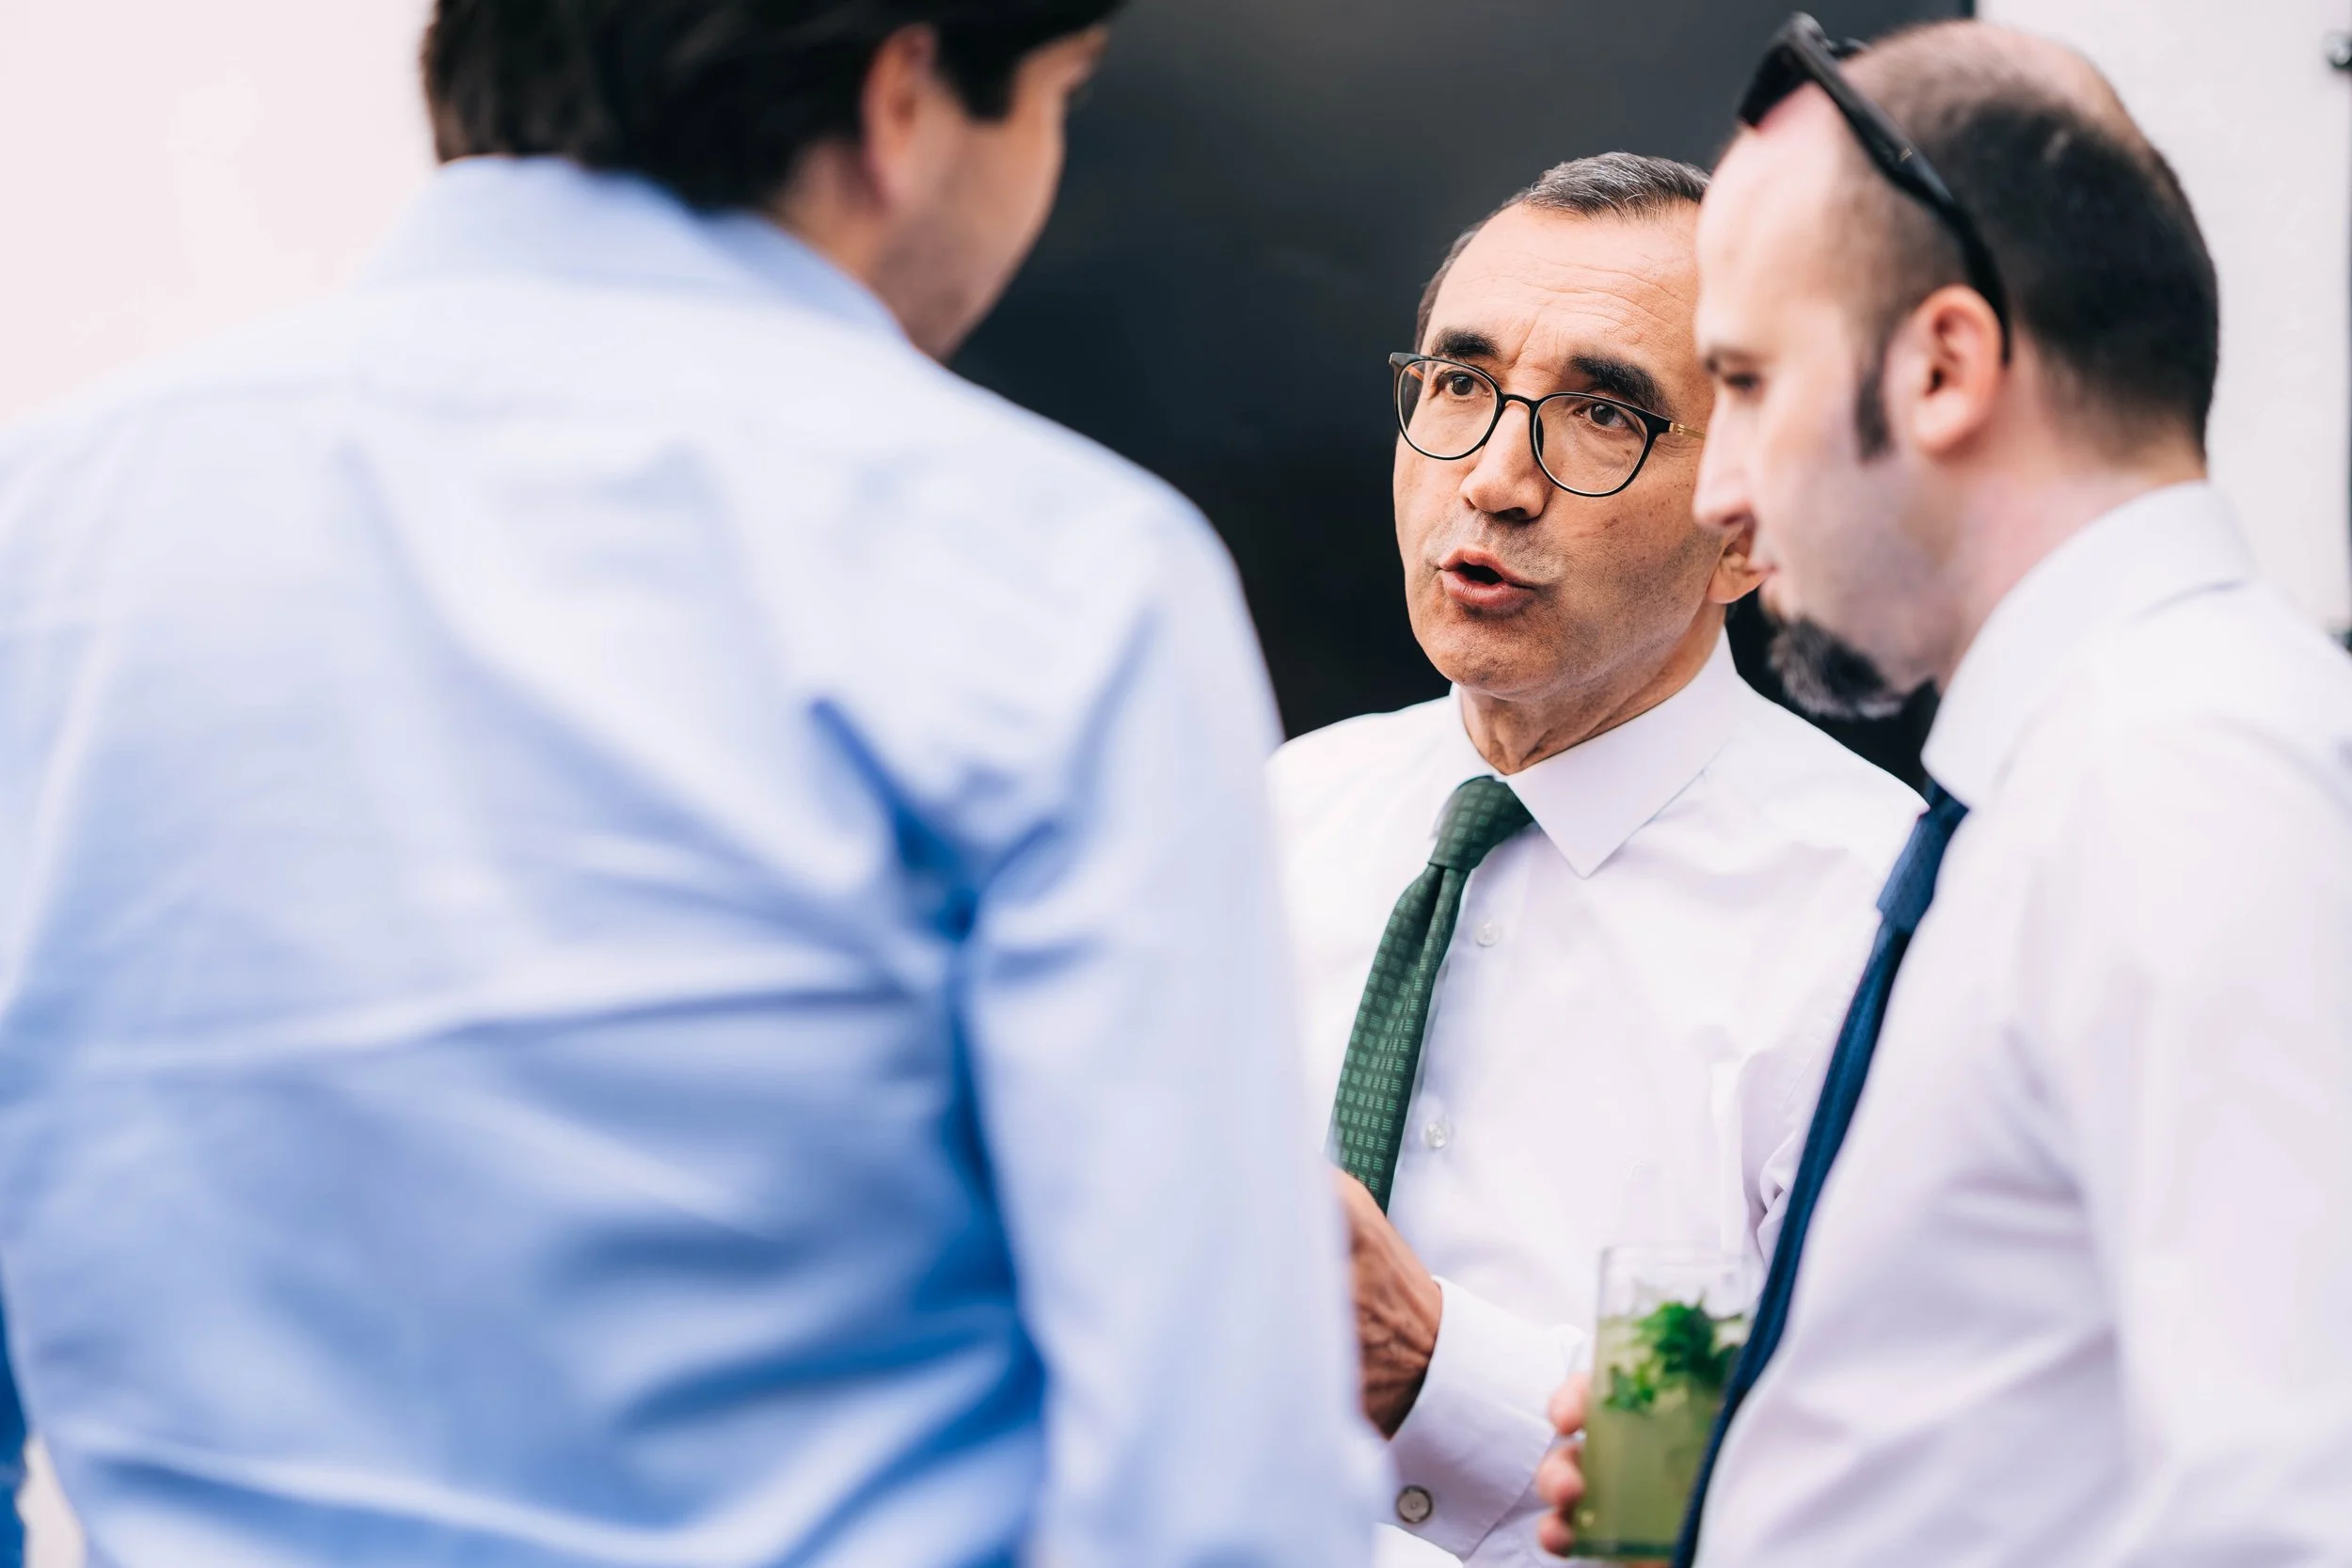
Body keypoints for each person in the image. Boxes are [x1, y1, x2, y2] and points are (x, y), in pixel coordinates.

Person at [0, 2, 1380, 1563]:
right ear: (903, 96)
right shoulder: (1055, 576)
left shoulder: (44, 541)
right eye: (1059, 101)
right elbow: (1209, 1505)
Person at [1530, 16, 2352, 1566]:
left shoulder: (2188, 781)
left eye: (1752, 382)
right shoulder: (2091, 775)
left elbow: (2287, 1509)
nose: (1719, 488)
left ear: (1946, 365)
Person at [1269, 152, 1919, 1568]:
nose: (1496, 479)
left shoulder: (1884, 923)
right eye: (1457, 382)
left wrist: (1440, 1369)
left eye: (1603, 413)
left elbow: (1894, 1487)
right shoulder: (1273, 817)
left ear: (1749, 530)